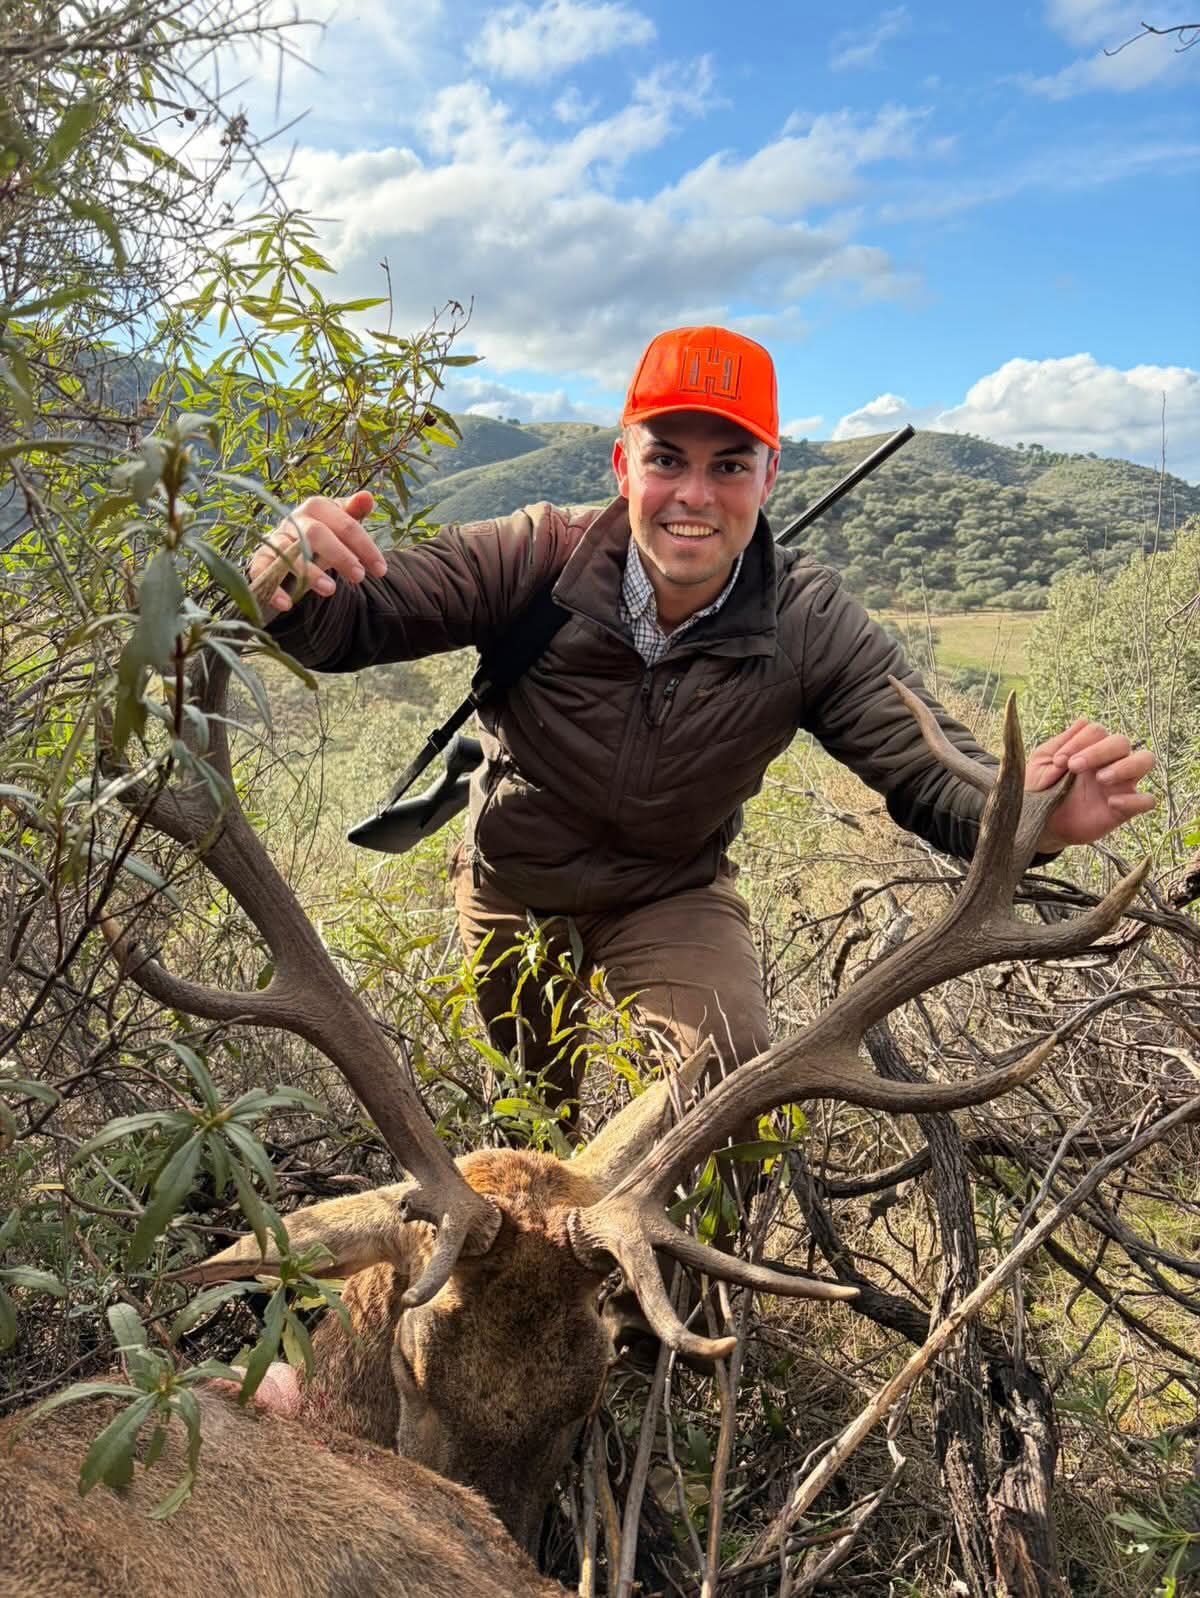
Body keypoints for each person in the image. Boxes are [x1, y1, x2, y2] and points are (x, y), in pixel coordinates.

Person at [252, 326, 1156, 1122]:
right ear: (622, 467)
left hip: (670, 887)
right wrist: (289, 574)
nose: (694, 494)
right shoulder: (532, 554)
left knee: (724, 1091)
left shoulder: (808, 620)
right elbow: (358, 621)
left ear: (768, 475)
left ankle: (677, 1274)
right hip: (515, 880)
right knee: (528, 1119)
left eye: (729, 465)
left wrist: (1033, 815)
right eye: (666, 460)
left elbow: (925, 769)